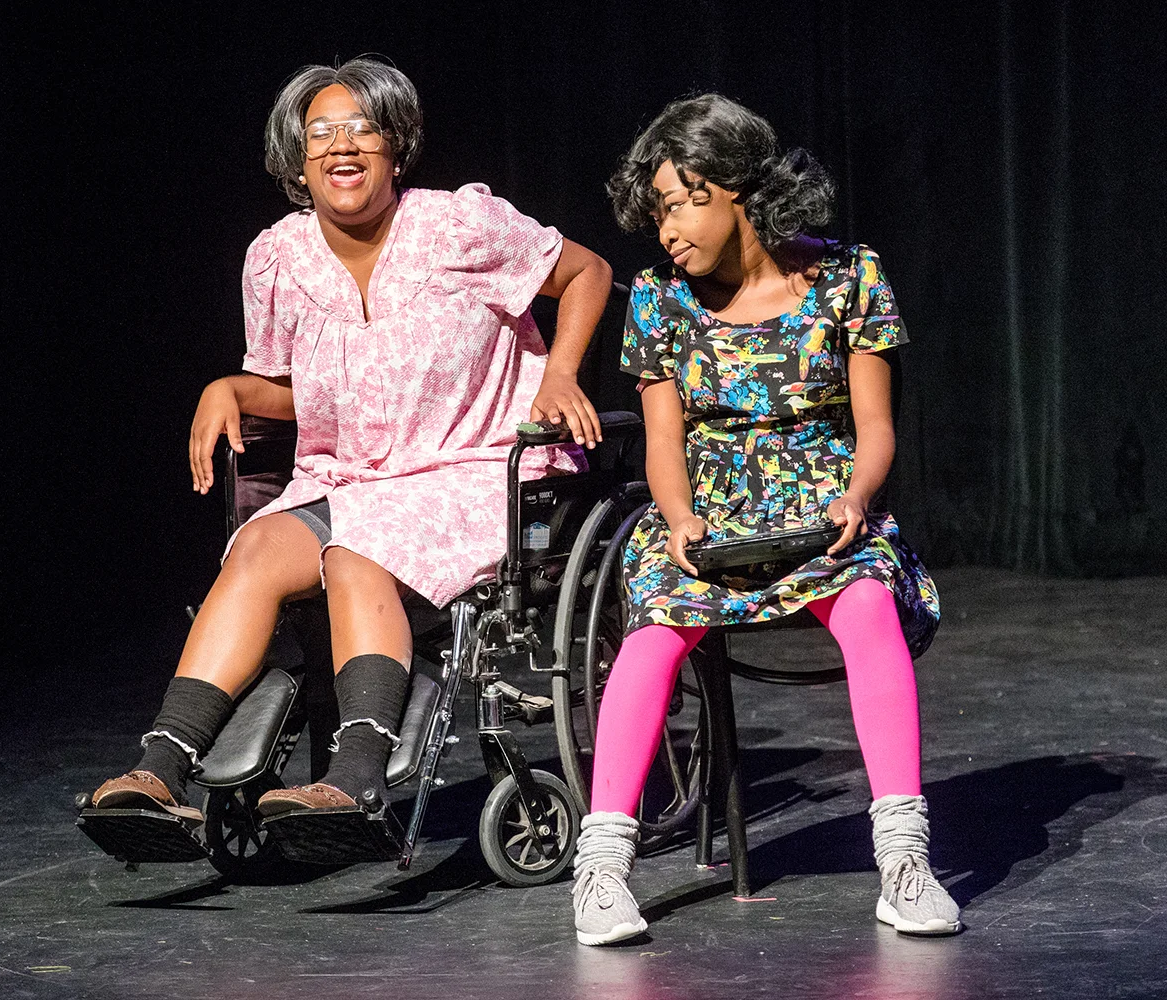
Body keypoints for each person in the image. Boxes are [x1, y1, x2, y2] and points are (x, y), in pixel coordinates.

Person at [84, 57, 611, 855]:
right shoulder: (278, 258)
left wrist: (561, 373)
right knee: (259, 547)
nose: (342, 146)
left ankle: (356, 777)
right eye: (321, 133)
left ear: (395, 147)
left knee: (357, 550)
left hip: (472, 468)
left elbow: (588, 271)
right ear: (296, 161)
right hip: (350, 476)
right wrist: (229, 388)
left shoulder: (459, 226)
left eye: (363, 129)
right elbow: (299, 390)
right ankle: (159, 770)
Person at [570, 94, 958, 945]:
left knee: (866, 602)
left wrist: (856, 496)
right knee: (654, 628)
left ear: (736, 189)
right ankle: (600, 870)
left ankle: (904, 859)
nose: (666, 230)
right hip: (707, 510)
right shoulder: (660, 298)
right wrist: (678, 517)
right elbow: (663, 441)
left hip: (823, 502)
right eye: (657, 213)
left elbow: (876, 426)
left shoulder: (851, 275)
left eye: (679, 205)